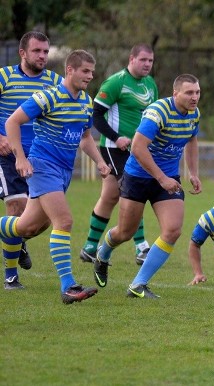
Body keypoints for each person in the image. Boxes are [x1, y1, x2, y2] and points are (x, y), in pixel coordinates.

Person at [0, 49, 109, 303]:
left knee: (25, 225)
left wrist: (100, 161)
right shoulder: (48, 96)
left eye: (92, 72)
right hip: (42, 165)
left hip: (64, 172)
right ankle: (68, 286)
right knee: (64, 221)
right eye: (85, 71)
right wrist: (20, 157)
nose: (90, 76)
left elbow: (84, 138)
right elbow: (12, 122)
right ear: (69, 70)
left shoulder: (86, 102)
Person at [92, 74, 202, 299]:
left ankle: (138, 284)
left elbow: (191, 140)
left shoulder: (194, 115)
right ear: (175, 94)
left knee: (172, 230)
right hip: (138, 176)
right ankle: (102, 255)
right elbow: (138, 148)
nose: (195, 97)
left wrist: (193, 173)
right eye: (189, 92)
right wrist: (161, 178)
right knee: (125, 232)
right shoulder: (158, 112)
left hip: (168, 178)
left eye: (197, 92)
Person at [79, 44, 157, 266]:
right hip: (115, 148)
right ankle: (141, 247)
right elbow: (96, 115)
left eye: (150, 61)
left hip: (138, 148)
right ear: (131, 59)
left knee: (110, 196)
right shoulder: (116, 82)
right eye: (143, 60)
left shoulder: (150, 84)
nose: (147, 64)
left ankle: (90, 247)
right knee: (134, 190)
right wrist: (117, 137)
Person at [0, 31, 62, 289]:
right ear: (23, 53)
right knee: (17, 208)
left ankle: (16, 236)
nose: (43, 56)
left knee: (44, 219)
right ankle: (11, 277)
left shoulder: (56, 81)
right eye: (37, 51)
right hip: (8, 156)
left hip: (41, 158)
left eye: (46, 51)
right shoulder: (4, 76)